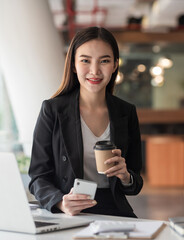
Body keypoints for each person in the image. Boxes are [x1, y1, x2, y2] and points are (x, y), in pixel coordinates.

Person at [28, 27, 143, 218]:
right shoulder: (52, 110)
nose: (95, 70)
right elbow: (38, 177)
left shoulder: (126, 112)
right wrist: (60, 202)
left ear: (115, 65)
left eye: (104, 61)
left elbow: (135, 183)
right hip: (69, 210)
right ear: (73, 64)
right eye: (85, 61)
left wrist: (126, 176)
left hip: (114, 210)